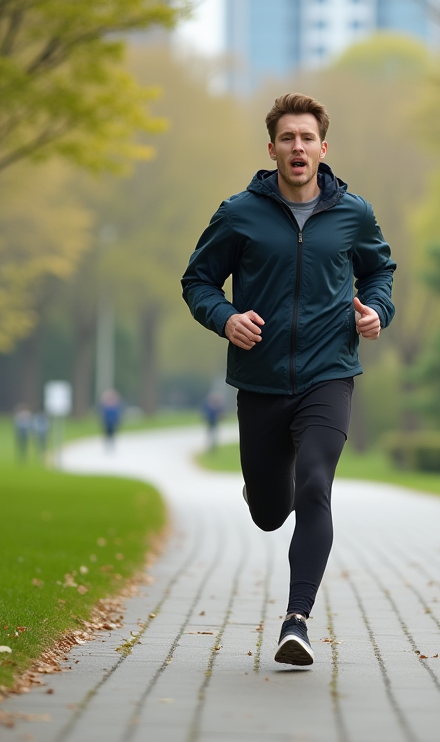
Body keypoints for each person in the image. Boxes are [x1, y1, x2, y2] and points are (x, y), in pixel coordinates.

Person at [181, 93, 395, 667]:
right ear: (272, 149)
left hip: (329, 373)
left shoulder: (354, 214)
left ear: (323, 148)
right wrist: (226, 319)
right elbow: (198, 281)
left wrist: (376, 310)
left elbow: (379, 271)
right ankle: (261, 489)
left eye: (306, 138)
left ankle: (296, 620)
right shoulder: (239, 214)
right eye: (287, 138)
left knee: (315, 484)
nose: (297, 147)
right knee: (270, 512)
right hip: (261, 380)